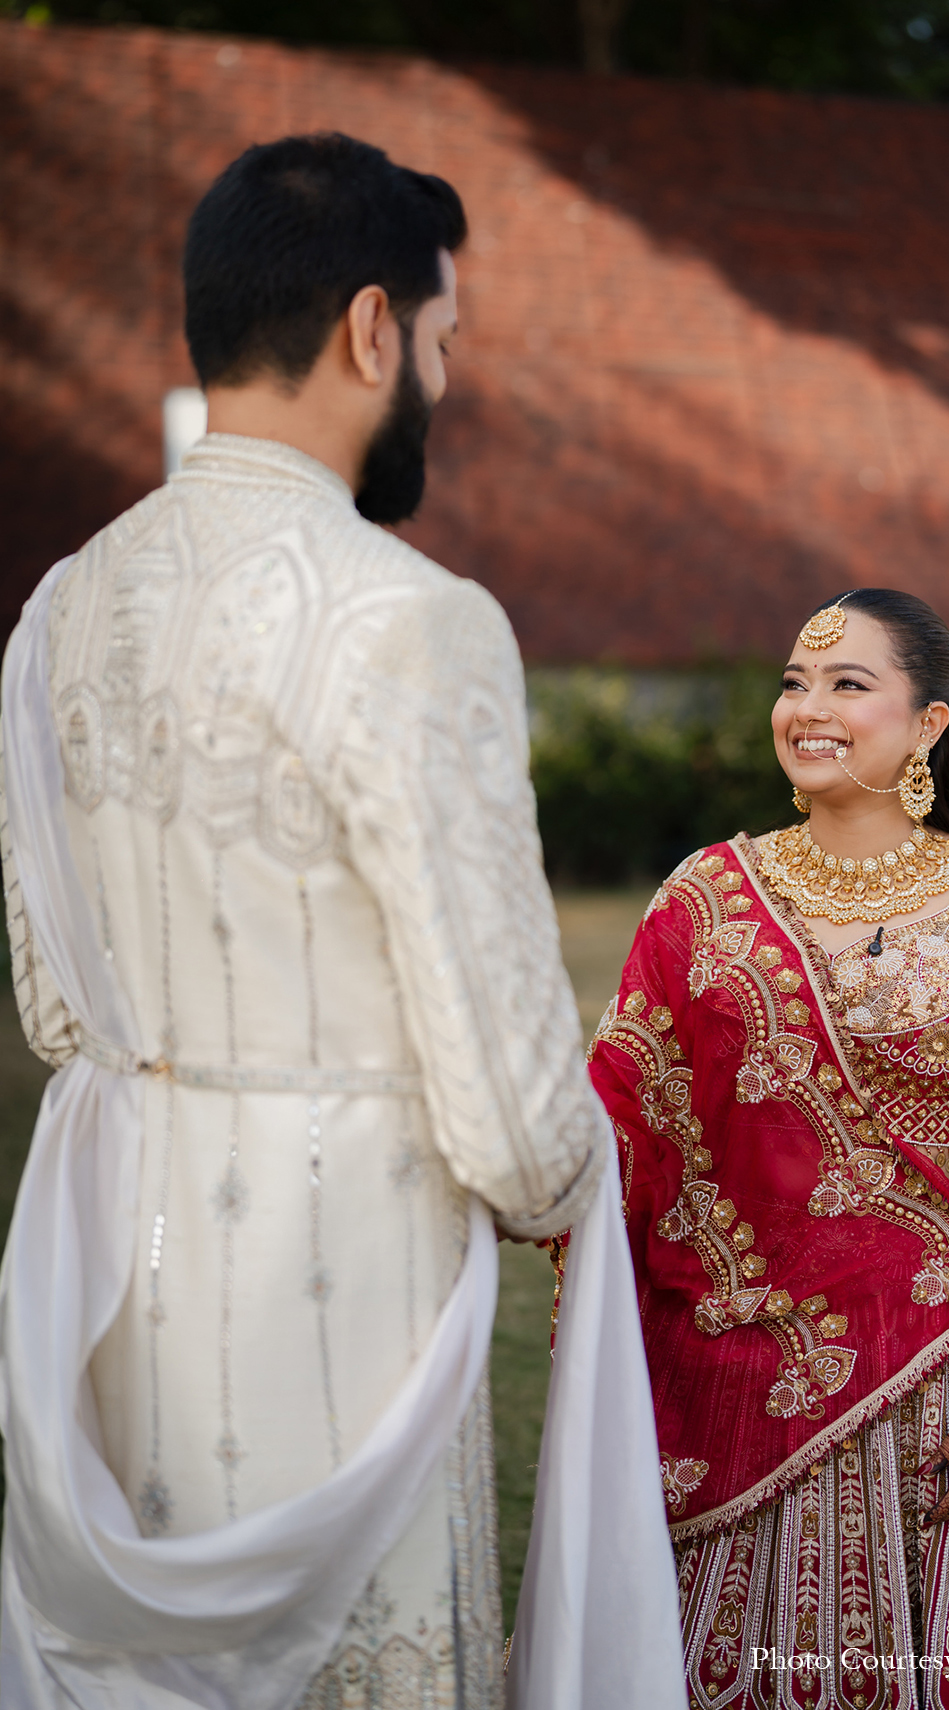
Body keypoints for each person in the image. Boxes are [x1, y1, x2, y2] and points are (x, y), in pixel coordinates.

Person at [0, 132, 624, 1709]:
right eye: (443, 341)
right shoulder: (411, 620)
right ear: (370, 329)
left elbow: (58, 1009)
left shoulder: (57, 611)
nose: (441, 374)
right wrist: (577, 1169)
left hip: (113, 1276)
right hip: (352, 1313)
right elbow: (522, 1129)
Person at [586, 588, 949, 1708]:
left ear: (927, 723)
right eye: (795, 683)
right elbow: (612, 1126)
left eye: (848, 685)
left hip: (942, 1375)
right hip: (727, 1384)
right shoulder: (703, 900)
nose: (807, 708)